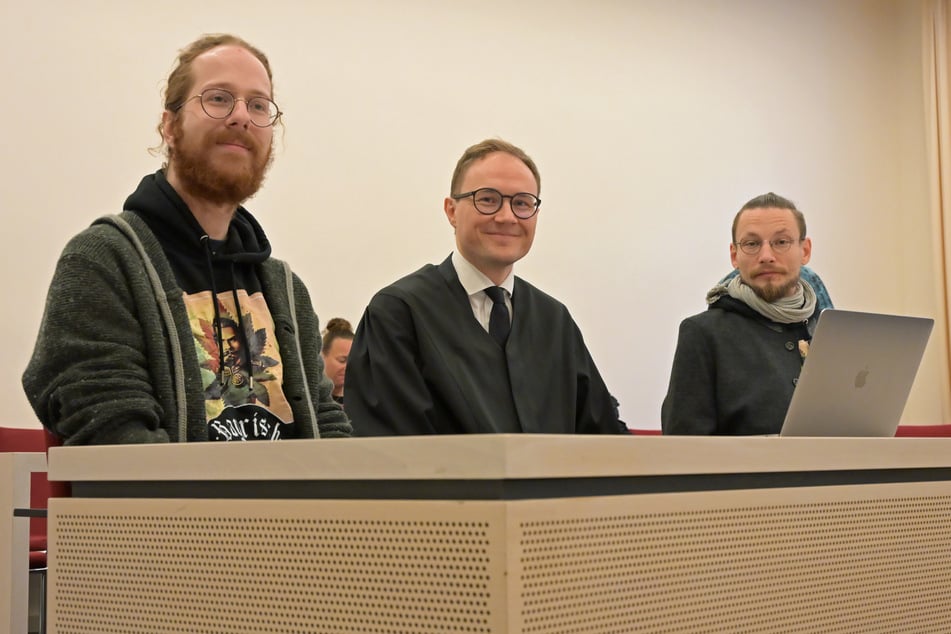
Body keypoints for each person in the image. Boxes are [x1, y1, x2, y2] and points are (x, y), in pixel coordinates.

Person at [22, 34, 351, 444]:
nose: (241, 117)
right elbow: (115, 438)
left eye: (258, 105)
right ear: (169, 125)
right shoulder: (102, 261)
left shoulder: (286, 290)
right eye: (218, 98)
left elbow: (327, 428)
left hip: (295, 509)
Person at [345, 138, 627, 436]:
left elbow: (600, 435)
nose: (506, 217)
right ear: (451, 211)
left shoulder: (555, 322)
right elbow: (393, 453)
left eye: (521, 203)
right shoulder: (399, 313)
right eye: (488, 199)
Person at [661, 192, 823, 435]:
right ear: (735, 255)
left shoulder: (829, 333)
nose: (766, 256)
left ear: (805, 250)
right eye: (751, 244)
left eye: (781, 242)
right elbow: (684, 451)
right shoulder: (704, 334)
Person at [321, 318, 354, 405]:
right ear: (323, 356)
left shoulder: (362, 403)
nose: (348, 367)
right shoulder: (310, 400)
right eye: (342, 360)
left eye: (352, 361)